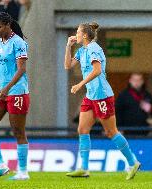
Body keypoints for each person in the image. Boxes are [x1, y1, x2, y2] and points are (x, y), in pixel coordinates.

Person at [64, 22, 141, 180]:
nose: (76, 34)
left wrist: (80, 84)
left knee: (111, 132)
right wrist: (68, 46)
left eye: (78, 32)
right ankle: (84, 168)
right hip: (91, 96)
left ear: (85, 35)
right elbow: (68, 65)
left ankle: (133, 162)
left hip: (102, 95)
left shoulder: (94, 48)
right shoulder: (82, 50)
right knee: (82, 130)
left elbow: (97, 70)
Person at [0, 11, 30, 180]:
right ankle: (0, 165)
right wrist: (0, 88)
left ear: (8, 25)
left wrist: (7, 88)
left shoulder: (19, 42)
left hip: (16, 92)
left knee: (18, 132)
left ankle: (23, 172)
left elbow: (21, 69)